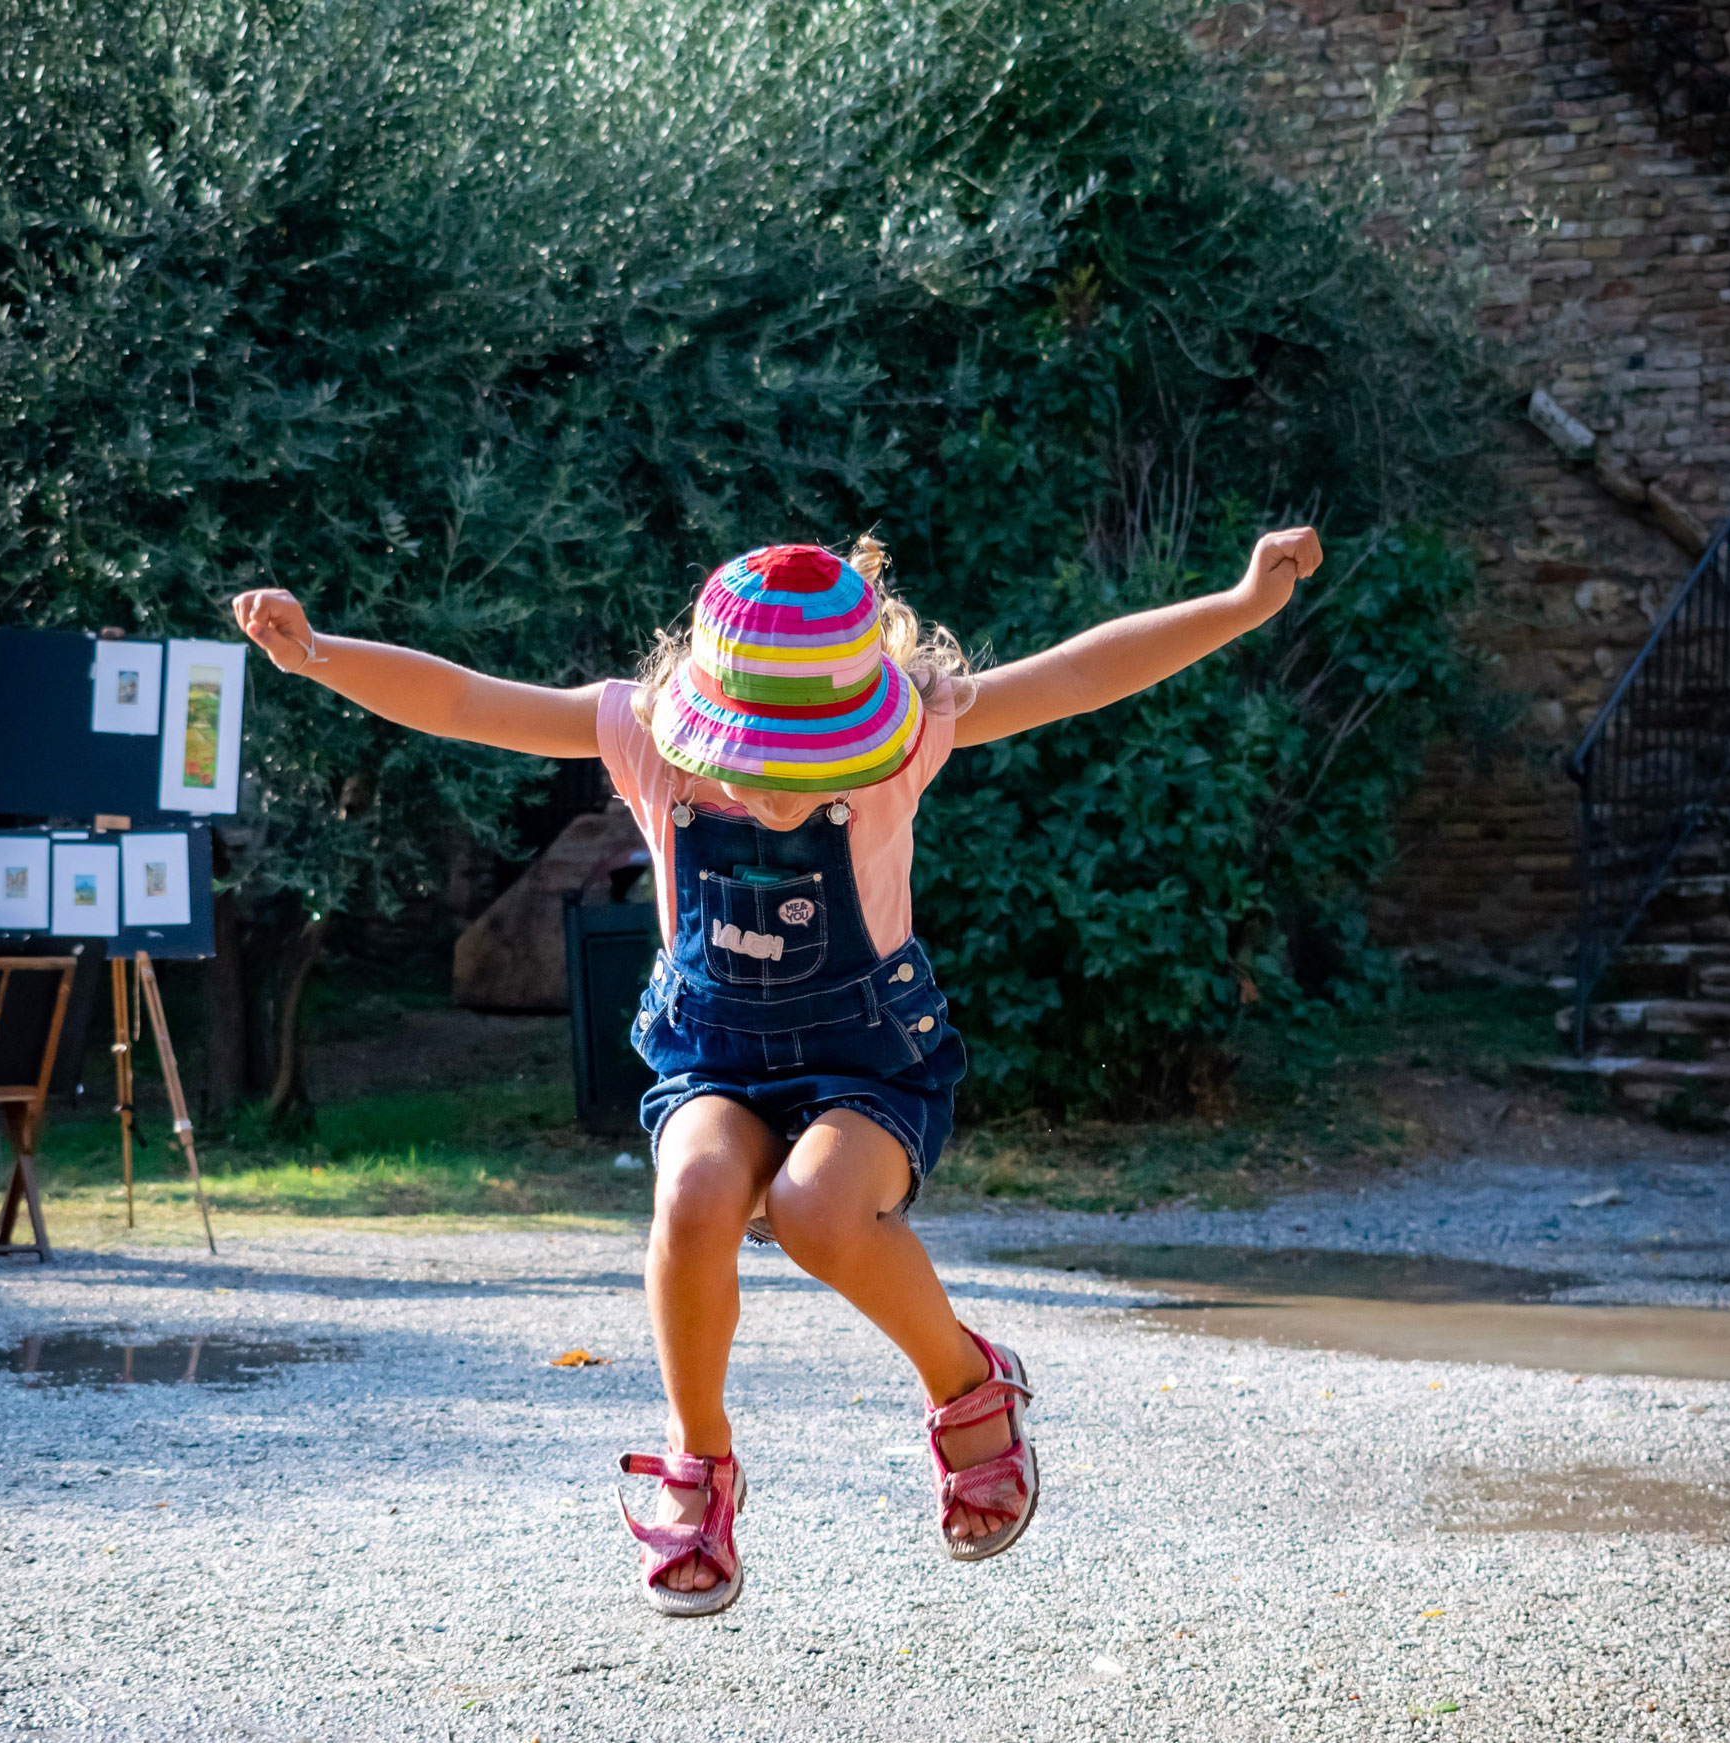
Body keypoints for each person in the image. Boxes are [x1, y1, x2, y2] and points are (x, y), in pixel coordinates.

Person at [232, 524, 1319, 1616]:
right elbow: (466, 701)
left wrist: (1238, 605)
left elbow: (1077, 675)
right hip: (712, 1058)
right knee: (693, 1195)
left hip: (867, 1063)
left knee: (816, 1211)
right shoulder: (639, 735)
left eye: (815, 765)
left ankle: (967, 1382)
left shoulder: (916, 728)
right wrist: (319, 654)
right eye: (756, 764)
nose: (779, 795)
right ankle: (699, 1458)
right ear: (705, 722)